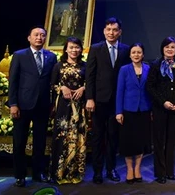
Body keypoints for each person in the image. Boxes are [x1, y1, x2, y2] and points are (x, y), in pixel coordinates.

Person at [8, 26, 57, 187]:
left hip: (42, 105)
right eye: (36, 35)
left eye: (43, 35)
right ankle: (19, 175)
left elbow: (53, 81)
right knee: (20, 141)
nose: (39, 38)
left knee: (40, 142)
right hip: (23, 105)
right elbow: (13, 81)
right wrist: (13, 104)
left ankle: (38, 173)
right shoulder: (19, 55)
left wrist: (53, 104)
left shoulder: (51, 57)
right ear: (29, 38)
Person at [85, 17, 130, 184]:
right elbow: (90, 75)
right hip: (98, 101)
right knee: (98, 137)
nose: (111, 33)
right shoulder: (96, 49)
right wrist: (90, 98)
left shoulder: (126, 50)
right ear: (104, 31)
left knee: (113, 137)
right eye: (108, 29)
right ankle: (97, 172)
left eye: (115, 30)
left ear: (120, 32)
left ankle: (111, 169)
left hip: (117, 102)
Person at [147, 36, 175, 184]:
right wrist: (163, 102)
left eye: (173, 47)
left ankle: (170, 171)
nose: (170, 49)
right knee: (159, 141)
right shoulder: (155, 65)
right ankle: (160, 173)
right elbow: (150, 87)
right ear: (162, 48)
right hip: (160, 109)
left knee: (171, 141)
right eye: (167, 47)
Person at [49, 36, 87, 184]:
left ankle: (75, 173)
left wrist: (83, 88)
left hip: (79, 106)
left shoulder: (85, 65)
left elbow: (90, 82)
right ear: (66, 49)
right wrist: (62, 87)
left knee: (77, 137)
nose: (74, 50)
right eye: (71, 47)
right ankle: (59, 173)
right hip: (63, 107)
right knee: (61, 137)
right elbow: (52, 85)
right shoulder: (58, 66)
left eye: (77, 47)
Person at [116, 43, 151, 184]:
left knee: (140, 141)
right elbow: (120, 91)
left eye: (139, 52)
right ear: (130, 55)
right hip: (128, 110)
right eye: (133, 52)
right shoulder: (124, 70)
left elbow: (151, 91)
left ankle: (138, 169)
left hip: (144, 110)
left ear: (143, 54)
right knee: (128, 142)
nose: (136, 54)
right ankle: (130, 169)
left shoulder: (148, 69)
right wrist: (118, 111)